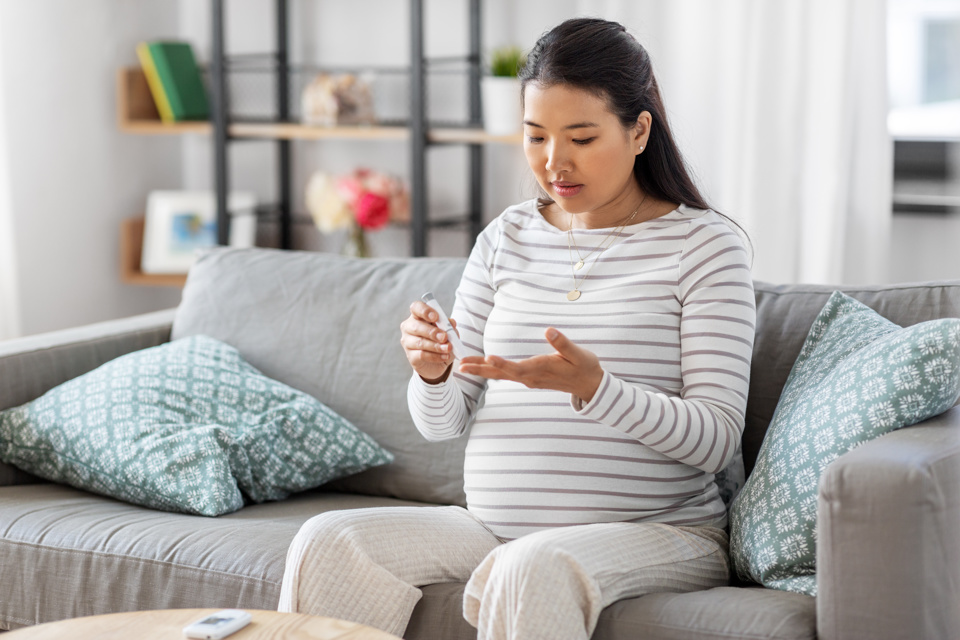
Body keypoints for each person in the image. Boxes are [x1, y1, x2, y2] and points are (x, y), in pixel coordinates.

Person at [279, 17, 755, 640]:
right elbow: (444, 422)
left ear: (639, 130)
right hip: (494, 526)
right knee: (329, 538)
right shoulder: (505, 237)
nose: (555, 162)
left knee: (533, 565)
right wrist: (433, 372)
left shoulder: (705, 245)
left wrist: (597, 388)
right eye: (536, 137)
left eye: (582, 137)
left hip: (658, 533)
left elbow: (716, 439)